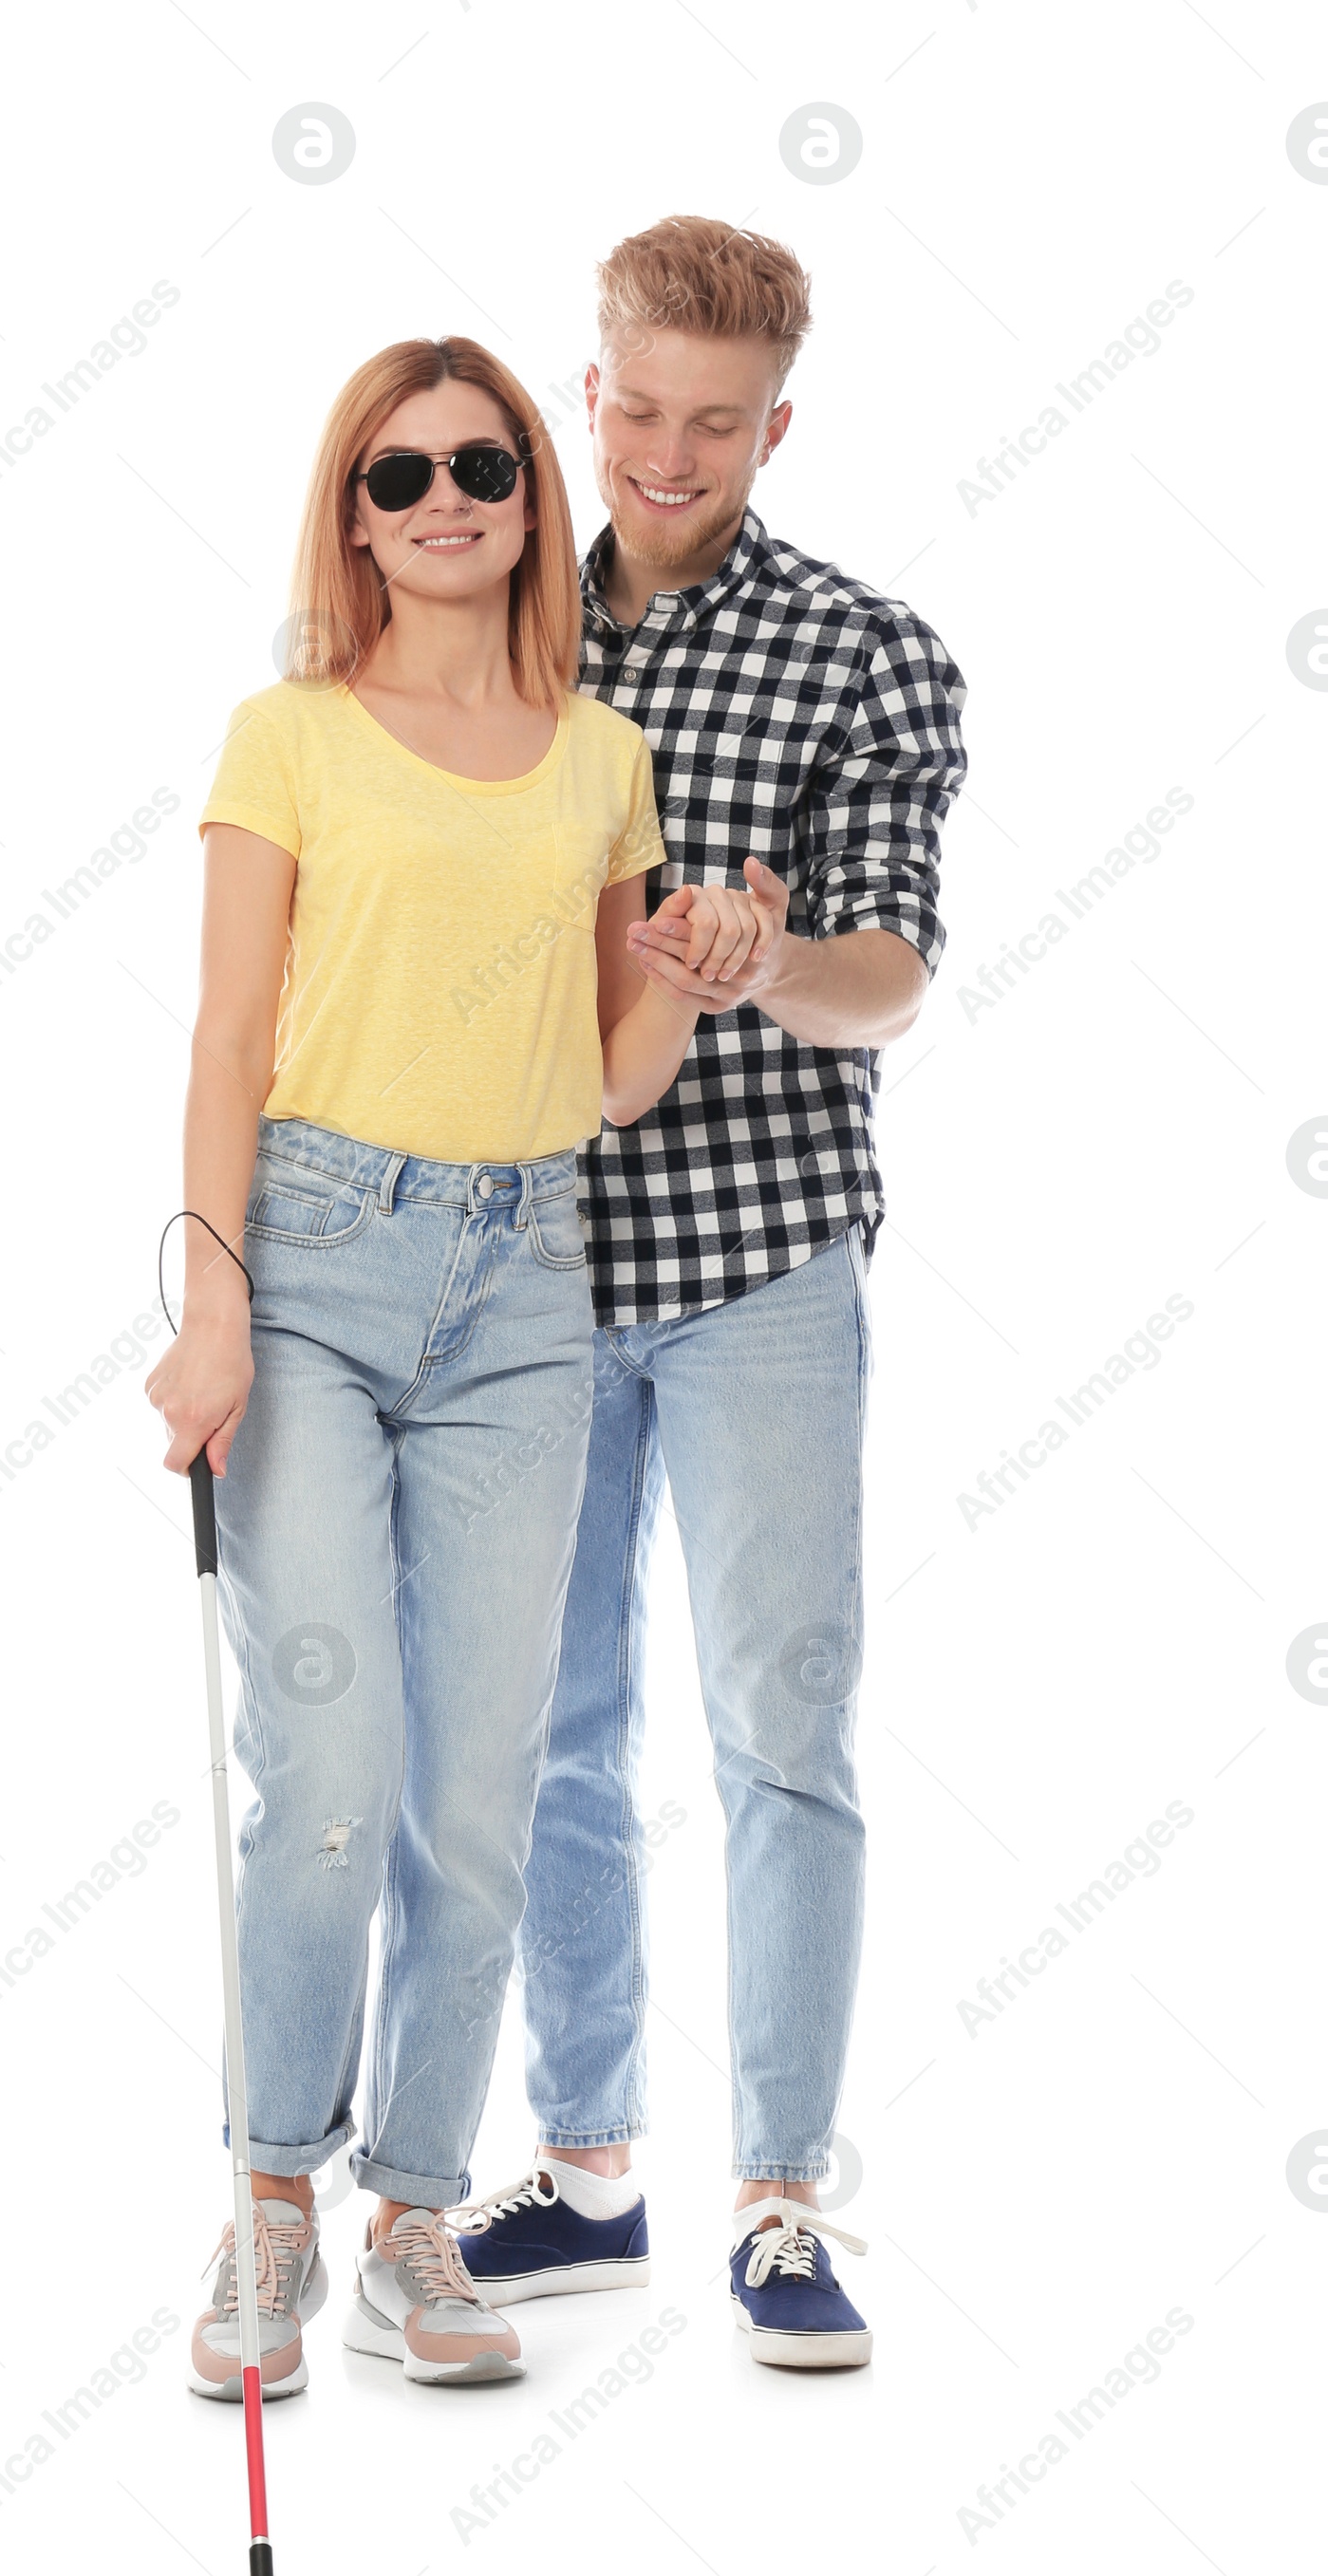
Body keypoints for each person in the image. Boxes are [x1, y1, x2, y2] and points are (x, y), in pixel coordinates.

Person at [146, 331, 765, 2395]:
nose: (443, 503)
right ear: (351, 509)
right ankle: (265, 2197)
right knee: (324, 1773)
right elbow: (231, 1043)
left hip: (525, 1291)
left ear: (524, 489)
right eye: (397, 476)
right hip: (312, 1266)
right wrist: (213, 1307)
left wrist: (683, 984)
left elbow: (604, 1077)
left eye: (482, 466)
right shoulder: (289, 732)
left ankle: (417, 2206)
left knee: (476, 1797)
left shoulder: (601, 758)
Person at [454, 219, 967, 2368]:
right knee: (545, 1735)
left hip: (759, 1259)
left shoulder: (865, 649)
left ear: (778, 422)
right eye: (635, 406)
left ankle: (777, 2202)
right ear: (588, 392)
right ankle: (585, 2175)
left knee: (782, 1729)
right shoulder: (471, 623)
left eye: (714, 420)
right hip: (524, 1266)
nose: (666, 455)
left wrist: (769, 968)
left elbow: (890, 974)